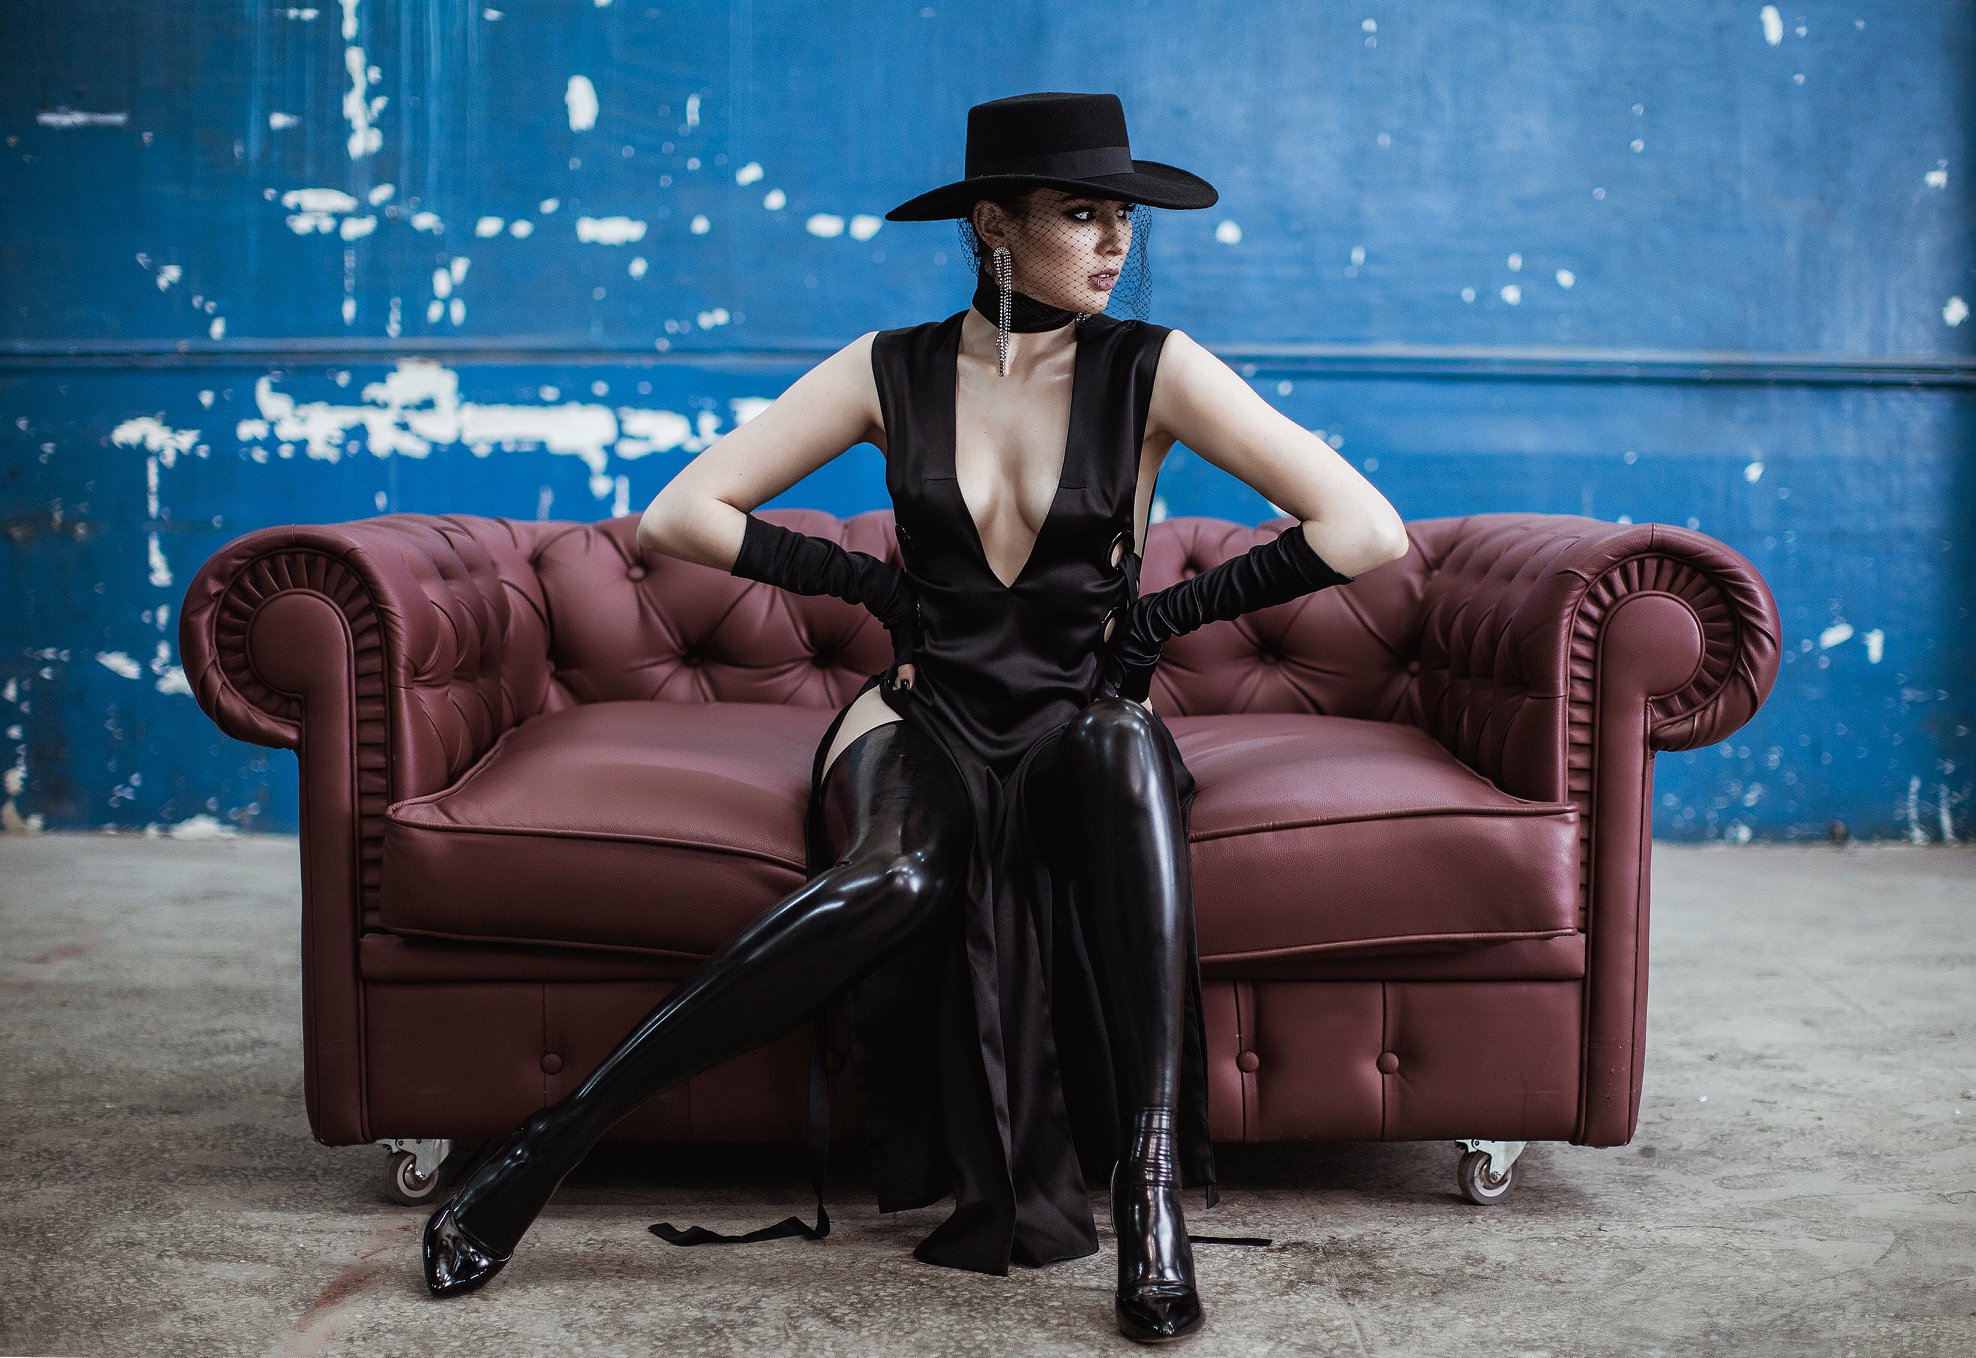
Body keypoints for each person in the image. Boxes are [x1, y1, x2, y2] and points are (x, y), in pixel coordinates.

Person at [421, 90, 1409, 1343]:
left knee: (1118, 746)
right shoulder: (887, 365)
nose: (1115, 240)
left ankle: (1148, 1190)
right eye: (1081, 213)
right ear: (993, 225)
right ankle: (544, 1146)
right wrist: (874, 589)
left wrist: (1156, 623)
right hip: (921, 711)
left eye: (1122, 217)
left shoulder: (1153, 366)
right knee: (894, 878)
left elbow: (1365, 530)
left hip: (1076, 715)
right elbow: (680, 514)